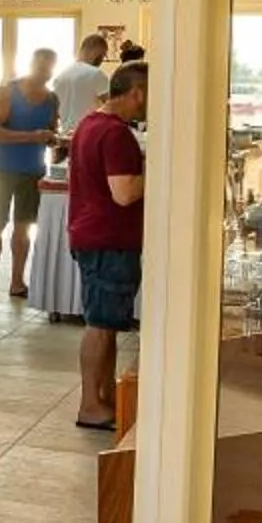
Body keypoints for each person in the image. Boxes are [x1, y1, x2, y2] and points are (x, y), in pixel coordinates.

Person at [68, 62, 151, 432]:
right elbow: (124, 192)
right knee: (101, 324)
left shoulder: (90, 122)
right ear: (137, 92)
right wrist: (160, 168)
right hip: (109, 238)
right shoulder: (116, 134)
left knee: (107, 323)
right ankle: (90, 403)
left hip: (93, 234)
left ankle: (104, 397)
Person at [0, 48, 60, 305]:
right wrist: (31, 136)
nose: (44, 72)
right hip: (2, 170)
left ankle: (16, 281)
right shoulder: (7, 93)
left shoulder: (51, 99)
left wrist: (52, 139)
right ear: (31, 64)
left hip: (32, 171)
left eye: (49, 68)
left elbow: (49, 132)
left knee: (23, 228)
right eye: (40, 66)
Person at [52, 32, 112, 143]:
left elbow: (55, 113)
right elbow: (112, 106)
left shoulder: (60, 76)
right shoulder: (96, 74)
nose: (102, 60)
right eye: (103, 55)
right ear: (96, 51)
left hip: (66, 138)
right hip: (89, 137)